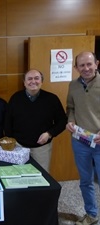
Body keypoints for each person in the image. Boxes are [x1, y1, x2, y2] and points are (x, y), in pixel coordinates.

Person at [4, 69, 67, 172]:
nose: (33, 81)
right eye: (29, 79)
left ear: (41, 81)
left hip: (42, 148)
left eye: (36, 78)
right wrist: (11, 142)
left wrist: (50, 133)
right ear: (24, 83)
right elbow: (8, 122)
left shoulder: (52, 99)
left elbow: (62, 121)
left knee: (41, 176)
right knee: (18, 175)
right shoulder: (16, 98)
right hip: (18, 146)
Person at [66, 51, 100, 225]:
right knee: (85, 181)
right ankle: (91, 215)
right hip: (81, 141)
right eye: (82, 65)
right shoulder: (73, 85)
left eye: (89, 64)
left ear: (97, 64)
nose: (86, 68)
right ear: (76, 68)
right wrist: (70, 121)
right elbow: (70, 107)